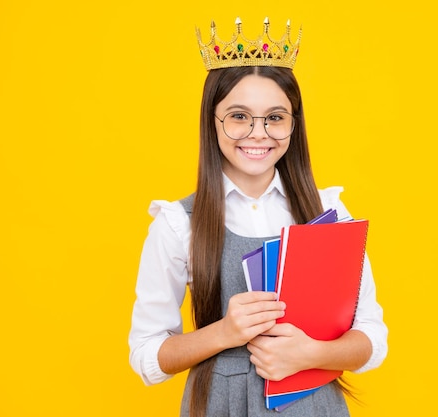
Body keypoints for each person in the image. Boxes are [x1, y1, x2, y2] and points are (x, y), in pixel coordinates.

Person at [128, 17, 388, 417]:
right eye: (238, 116)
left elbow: (372, 338)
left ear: (293, 125)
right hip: (221, 405)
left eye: (275, 117)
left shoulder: (328, 213)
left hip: (314, 405)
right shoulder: (178, 223)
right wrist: (224, 332)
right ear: (212, 122)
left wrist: (310, 354)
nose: (258, 133)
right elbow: (147, 356)